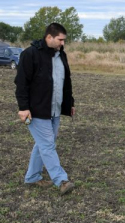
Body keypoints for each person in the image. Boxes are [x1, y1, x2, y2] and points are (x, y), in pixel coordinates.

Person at [14, 23, 75, 195]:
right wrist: (23, 108)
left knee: (43, 144)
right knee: (47, 145)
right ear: (49, 37)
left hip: (54, 110)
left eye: (64, 40)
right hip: (36, 111)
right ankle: (61, 180)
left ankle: (32, 176)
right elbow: (21, 83)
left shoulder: (61, 55)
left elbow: (65, 82)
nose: (63, 43)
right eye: (60, 39)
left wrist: (69, 103)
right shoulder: (30, 54)